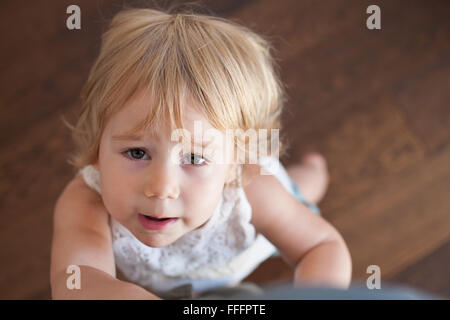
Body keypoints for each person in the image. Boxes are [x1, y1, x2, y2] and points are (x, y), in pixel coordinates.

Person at [50, 7, 352, 299]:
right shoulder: (85, 201)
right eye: (137, 153)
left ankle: (315, 168)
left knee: (302, 191)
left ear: (235, 164)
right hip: (190, 278)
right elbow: (77, 279)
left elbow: (321, 247)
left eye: (193, 158)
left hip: (247, 248)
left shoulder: (254, 194)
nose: (161, 187)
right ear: (96, 148)